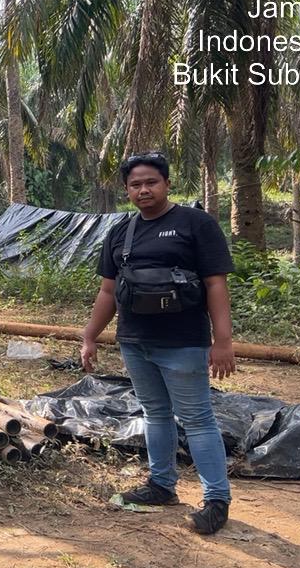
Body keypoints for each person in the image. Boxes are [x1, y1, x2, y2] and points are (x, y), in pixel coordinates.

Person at [79, 151, 236, 535]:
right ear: (126, 190)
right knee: (154, 415)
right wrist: (89, 335)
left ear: (167, 183)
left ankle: (217, 500)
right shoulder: (121, 232)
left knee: (198, 419)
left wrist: (223, 341)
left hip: (183, 343)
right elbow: (108, 290)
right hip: (135, 341)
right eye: (135, 184)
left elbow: (216, 283)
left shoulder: (195, 224)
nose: (143, 189)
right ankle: (161, 485)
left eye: (151, 182)